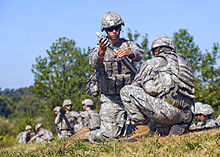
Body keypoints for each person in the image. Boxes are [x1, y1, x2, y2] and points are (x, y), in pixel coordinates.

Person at [120, 35, 194, 136]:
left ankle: (141, 126)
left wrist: (143, 112)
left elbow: (135, 86)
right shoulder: (184, 64)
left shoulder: (151, 63)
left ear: (156, 51)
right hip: (186, 113)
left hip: (167, 111)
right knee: (157, 128)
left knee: (126, 91)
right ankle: (177, 126)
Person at [88, 11, 143, 142]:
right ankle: (92, 135)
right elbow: (93, 63)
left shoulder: (129, 44)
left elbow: (139, 53)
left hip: (131, 96)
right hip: (110, 98)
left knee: (144, 128)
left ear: (121, 28)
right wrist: (102, 51)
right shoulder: (98, 48)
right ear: (105, 31)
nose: (114, 31)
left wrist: (129, 53)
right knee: (110, 136)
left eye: (117, 28)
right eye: (110, 29)